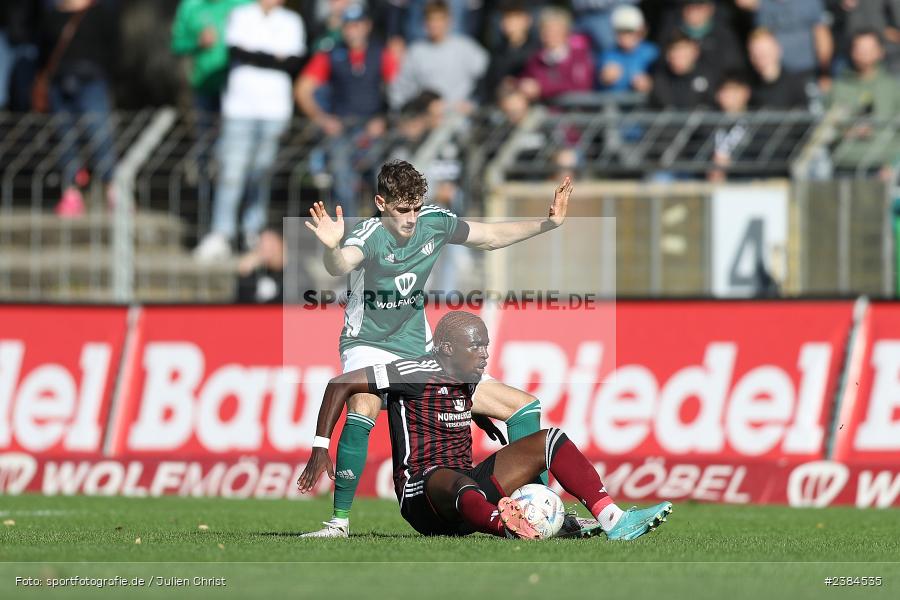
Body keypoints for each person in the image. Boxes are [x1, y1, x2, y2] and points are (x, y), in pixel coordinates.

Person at [300, 159, 573, 537]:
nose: (411, 218)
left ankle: (541, 513)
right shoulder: (367, 235)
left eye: (415, 207)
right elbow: (340, 263)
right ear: (381, 202)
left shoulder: (434, 221)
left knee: (523, 405)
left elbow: (490, 237)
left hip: (421, 347)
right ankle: (339, 522)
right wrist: (332, 248)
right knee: (363, 404)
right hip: (368, 344)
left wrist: (549, 224)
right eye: (402, 210)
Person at [297, 310, 674, 540]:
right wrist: (319, 447)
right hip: (423, 494)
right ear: (446, 350)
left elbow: (451, 395)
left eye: (485, 345)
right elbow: (340, 384)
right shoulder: (409, 372)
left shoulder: (466, 376)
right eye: (475, 347)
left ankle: (614, 520)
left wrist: (475, 412)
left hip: (466, 489)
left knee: (550, 440)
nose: (484, 354)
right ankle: (508, 526)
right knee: (455, 480)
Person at [193, 0, 305, 261]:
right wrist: (273, 57)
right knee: (232, 171)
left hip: (275, 110)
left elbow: (292, 61)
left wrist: (259, 55)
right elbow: (237, 51)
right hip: (240, 109)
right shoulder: (241, 15)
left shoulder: (291, 21)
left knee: (261, 172)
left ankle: (252, 230)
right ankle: (222, 232)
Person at [295, 4, 399, 218]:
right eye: (349, 26)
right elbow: (303, 89)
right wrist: (322, 119)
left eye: (357, 25)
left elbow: (399, 91)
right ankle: (349, 239)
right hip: (342, 130)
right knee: (343, 184)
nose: (353, 30)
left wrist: (385, 120)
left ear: (367, 26)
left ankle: (381, 237)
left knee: (383, 184)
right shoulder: (330, 55)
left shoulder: (381, 54)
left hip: (374, 129)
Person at [37, 0, 119, 217]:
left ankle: (114, 190)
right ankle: (71, 192)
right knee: (65, 139)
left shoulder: (100, 13)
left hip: (91, 83)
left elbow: (113, 49)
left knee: (100, 136)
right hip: (60, 84)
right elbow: (43, 53)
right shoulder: (52, 15)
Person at [388, 0, 488, 113]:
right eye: (431, 20)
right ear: (424, 23)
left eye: (439, 19)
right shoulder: (416, 52)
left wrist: (473, 103)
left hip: (460, 118)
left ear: (449, 21)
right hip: (427, 118)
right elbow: (400, 91)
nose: (435, 24)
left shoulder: (467, 48)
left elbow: (487, 78)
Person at [170, 0, 250, 117]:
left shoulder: (244, 3)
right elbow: (176, 45)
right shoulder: (190, 5)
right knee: (206, 132)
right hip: (204, 85)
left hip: (240, 88)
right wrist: (197, 42)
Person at [736, 0, 833, 89]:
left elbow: (822, 36)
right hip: (777, 76)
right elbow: (758, 41)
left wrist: (824, 71)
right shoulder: (763, 6)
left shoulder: (809, 2)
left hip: (808, 71)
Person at [518, 7, 595, 103]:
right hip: (543, 113)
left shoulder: (579, 57)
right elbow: (525, 80)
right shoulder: (535, 60)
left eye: (555, 30)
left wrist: (542, 88)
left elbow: (581, 88)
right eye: (546, 29)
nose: (550, 34)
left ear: (566, 32)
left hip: (574, 113)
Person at [596, 4, 657, 93]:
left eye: (629, 31)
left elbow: (664, 81)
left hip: (644, 106)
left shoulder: (651, 52)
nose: (625, 36)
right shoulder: (607, 54)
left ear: (640, 31)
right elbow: (598, 85)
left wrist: (650, 83)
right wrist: (604, 79)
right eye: (620, 31)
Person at [747, 27, 810, 109]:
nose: (761, 58)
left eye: (765, 52)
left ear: (778, 50)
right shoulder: (749, 89)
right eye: (756, 54)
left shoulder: (795, 85)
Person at [650, 32, 716, 109]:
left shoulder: (710, 76)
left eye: (684, 50)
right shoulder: (659, 78)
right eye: (675, 50)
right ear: (668, 55)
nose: (679, 55)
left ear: (695, 52)